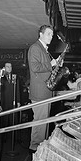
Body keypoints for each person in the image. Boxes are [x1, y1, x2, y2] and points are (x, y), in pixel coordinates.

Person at [28, 25, 58, 153]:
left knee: (44, 121)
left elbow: (45, 69)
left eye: (52, 35)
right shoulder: (35, 47)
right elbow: (35, 67)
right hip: (40, 92)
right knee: (40, 122)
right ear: (41, 34)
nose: (51, 37)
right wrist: (51, 64)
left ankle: (41, 146)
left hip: (45, 92)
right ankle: (35, 147)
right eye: (49, 34)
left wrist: (55, 66)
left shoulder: (44, 49)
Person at [0, 62, 20, 127]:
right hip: (4, 103)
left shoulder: (15, 77)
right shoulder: (1, 78)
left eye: (10, 66)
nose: (9, 68)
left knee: (13, 122)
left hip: (13, 102)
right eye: (7, 66)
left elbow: (17, 90)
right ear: (4, 68)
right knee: (4, 123)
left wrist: (18, 101)